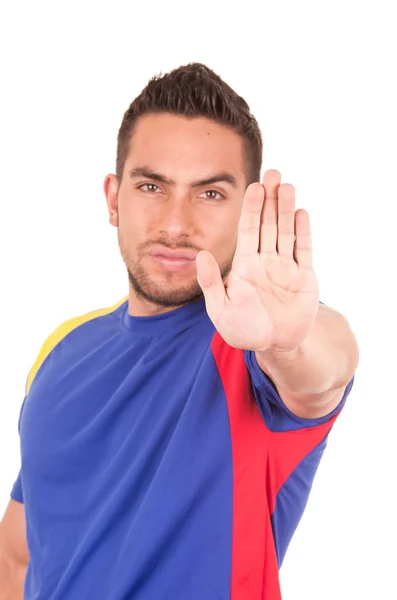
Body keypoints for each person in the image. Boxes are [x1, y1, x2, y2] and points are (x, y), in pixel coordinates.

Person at [0, 63, 359, 600]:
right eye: (152, 186)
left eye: (210, 194)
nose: (174, 223)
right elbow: (18, 553)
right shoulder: (61, 350)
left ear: (248, 209)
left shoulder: (253, 346)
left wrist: (287, 345)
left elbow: (321, 374)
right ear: (114, 198)